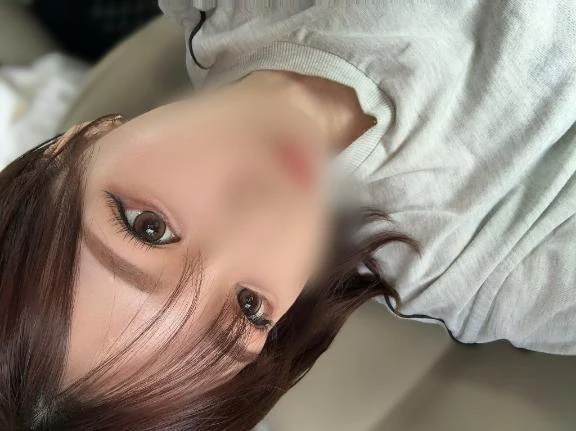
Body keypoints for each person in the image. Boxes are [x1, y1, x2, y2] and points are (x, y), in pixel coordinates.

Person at [1, 0, 574, 429]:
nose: (261, 216)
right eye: (246, 309)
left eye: (149, 229)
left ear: (70, 143)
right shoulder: (495, 273)